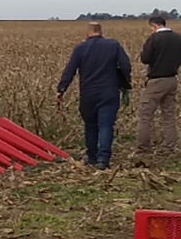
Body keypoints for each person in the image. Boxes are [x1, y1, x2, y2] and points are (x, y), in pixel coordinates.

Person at [56, 21, 132, 170]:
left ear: (87, 33)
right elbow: (126, 65)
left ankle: (91, 157)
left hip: (88, 93)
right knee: (106, 126)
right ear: (101, 32)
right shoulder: (113, 45)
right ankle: (103, 159)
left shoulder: (80, 48)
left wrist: (61, 89)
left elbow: (70, 70)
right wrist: (124, 82)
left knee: (90, 126)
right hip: (109, 92)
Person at [135, 15, 181, 158]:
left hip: (156, 80)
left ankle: (142, 147)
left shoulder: (154, 39)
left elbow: (145, 59)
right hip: (172, 79)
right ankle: (169, 147)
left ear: (154, 26)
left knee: (145, 115)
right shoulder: (178, 38)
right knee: (169, 115)